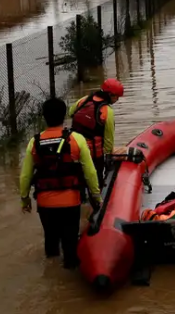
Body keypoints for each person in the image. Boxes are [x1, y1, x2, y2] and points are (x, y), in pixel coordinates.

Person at [20, 98, 102, 269]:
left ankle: (51, 273)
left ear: (44, 117)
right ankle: (69, 274)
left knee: (51, 240)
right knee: (70, 242)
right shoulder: (77, 139)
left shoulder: (34, 142)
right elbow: (91, 172)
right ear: (64, 116)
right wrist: (96, 196)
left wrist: (25, 199)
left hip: (45, 203)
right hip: (70, 202)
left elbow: (25, 176)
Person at [68, 78, 124, 185]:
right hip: (94, 154)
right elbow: (108, 139)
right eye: (117, 97)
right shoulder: (107, 111)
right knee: (96, 182)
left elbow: (71, 112)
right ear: (110, 95)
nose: (117, 100)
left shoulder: (83, 100)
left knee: (79, 180)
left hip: (75, 150)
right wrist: (108, 157)